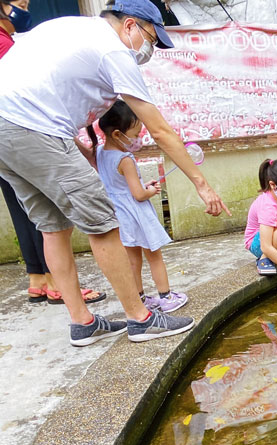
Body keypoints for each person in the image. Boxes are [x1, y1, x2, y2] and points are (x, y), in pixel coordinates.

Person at [0, 0, 230, 346]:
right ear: (131, 25)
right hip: (32, 127)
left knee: (52, 227)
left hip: (10, 129)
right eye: (152, 38)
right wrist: (202, 184)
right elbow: (161, 131)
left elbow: (50, 100)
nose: (149, 49)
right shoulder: (113, 49)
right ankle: (141, 318)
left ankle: (82, 323)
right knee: (104, 223)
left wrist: (82, 156)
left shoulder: (69, 28)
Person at [0, 0, 107, 306]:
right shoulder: (3, 44)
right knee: (50, 217)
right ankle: (56, 283)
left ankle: (39, 279)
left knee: (24, 208)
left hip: (6, 136)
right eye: (18, 3)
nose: (24, 8)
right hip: (21, 129)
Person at [90, 100, 186, 312]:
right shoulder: (125, 158)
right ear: (117, 134)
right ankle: (166, 297)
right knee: (154, 257)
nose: (137, 140)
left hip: (120, 215)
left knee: (133, 260)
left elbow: (120, 185)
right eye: (134, 135)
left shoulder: (99, 153)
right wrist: (150, 190)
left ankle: (140, 298)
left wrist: (142, 187)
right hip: (137, 214)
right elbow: (138, 195)